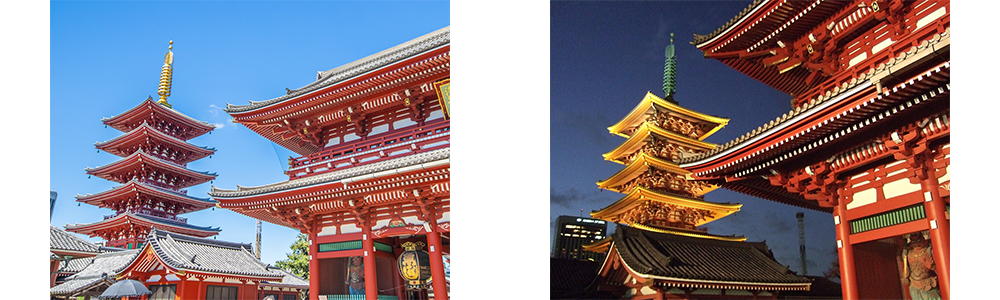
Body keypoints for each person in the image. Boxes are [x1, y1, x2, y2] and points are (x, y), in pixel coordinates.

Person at [903, 233, 940, 300]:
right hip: (914, 285)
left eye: (918, 240)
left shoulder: (928, 251)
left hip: (928, 284)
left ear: (923, 239)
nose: (916, 243)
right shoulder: (908, 254)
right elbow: (906, 270)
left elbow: (942, 272)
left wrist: (932, 267)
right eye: (913, 241)